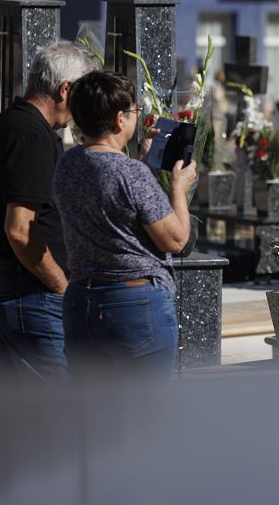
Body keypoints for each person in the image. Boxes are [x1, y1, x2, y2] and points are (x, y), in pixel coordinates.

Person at [54, 71, 196, 380]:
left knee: (93, 412)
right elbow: (175, 240)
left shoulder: (68, 163)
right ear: (120, 120)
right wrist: (178, 189)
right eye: (134, 111)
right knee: (142, 415)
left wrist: (141, 163)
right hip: (134, 304)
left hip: (82, 300)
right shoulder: (130, 174)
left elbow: (116, 206)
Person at [0, 41, 98, 385]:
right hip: (28, 290)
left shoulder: (12, 122)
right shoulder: (31, 135)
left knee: (21, 406)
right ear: (65, 89)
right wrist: (61, 286)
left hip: (12, 283)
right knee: (56, 406)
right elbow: (20, 230)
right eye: (82, 94)